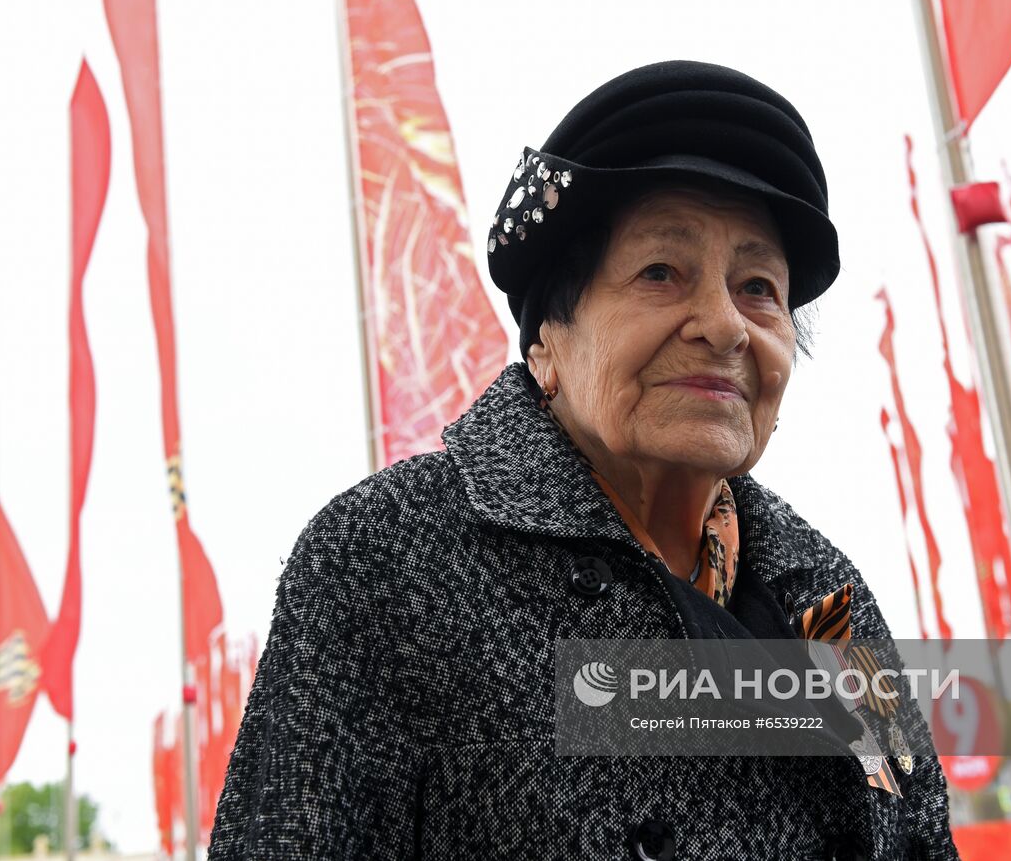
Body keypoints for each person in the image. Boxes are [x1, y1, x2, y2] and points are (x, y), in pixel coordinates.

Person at [209, 60, 959, 860]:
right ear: (548, 343)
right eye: (661, 273)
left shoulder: (826, 595)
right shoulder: (385, 559)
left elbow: (918, 838)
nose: (724, 325)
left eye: (758, 287)